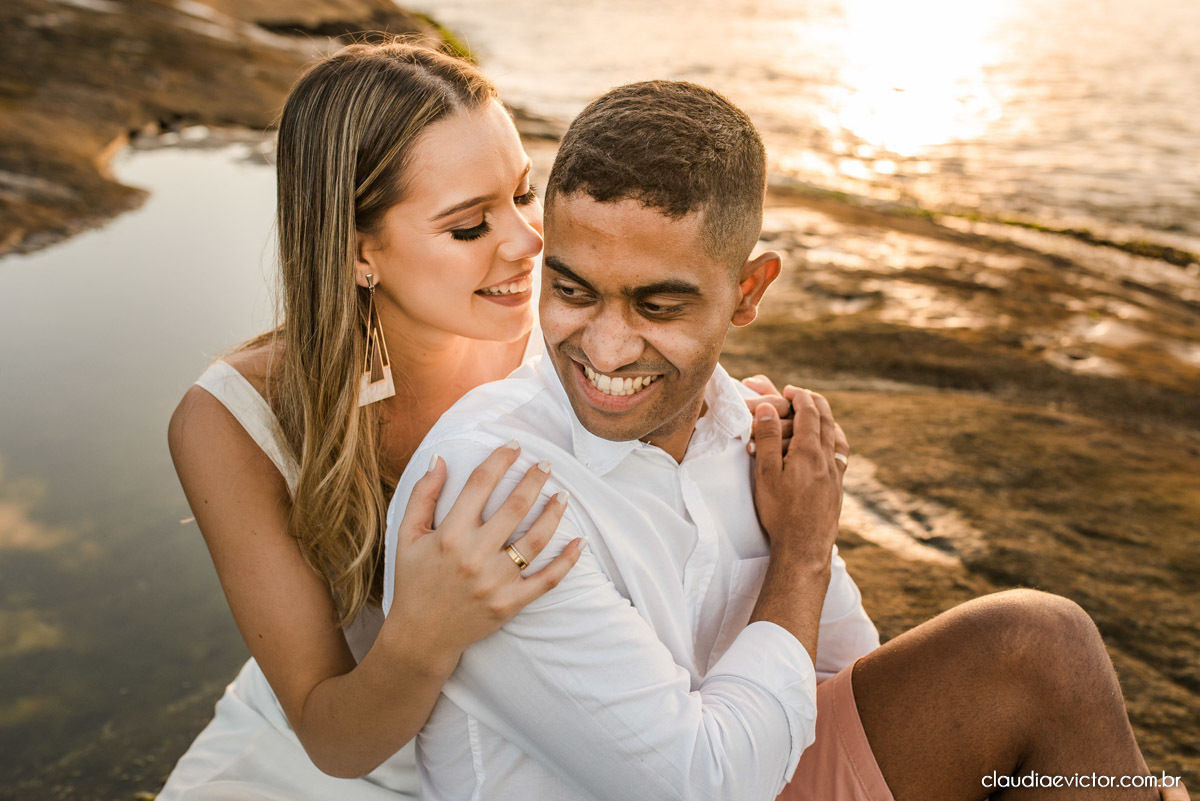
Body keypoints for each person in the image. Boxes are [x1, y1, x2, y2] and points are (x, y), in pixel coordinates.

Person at [383, 80, 1191, 801]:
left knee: (1040, 651)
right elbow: (699, 782)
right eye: (571, 290)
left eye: (657, 306)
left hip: (765, 773)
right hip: (709, 784)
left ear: (748, 292)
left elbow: (843, 670)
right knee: (1040, 646)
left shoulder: (748, 432)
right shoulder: (496, 489)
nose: (606, 347)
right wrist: (802, 550)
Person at [159, 41, 798, 799]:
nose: (530, 245)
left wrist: (722, 427)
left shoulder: (569, 329)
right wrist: (420, 637)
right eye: (469, 226)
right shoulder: (232, 420)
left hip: (533, 748)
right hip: (325, 761)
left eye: (523, 195)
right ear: (360, 250)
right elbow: (331, 737)